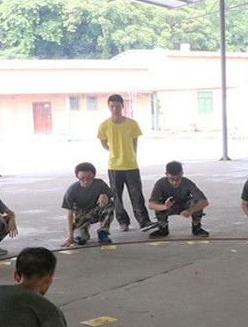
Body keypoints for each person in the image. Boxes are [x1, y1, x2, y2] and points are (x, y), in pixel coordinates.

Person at [98, 94, 156, 232]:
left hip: (131, 165)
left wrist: (131, 155)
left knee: (136, 195)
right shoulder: (104, 125)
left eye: (117, 106)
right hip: (114, 167)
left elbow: (135, 142)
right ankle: (123, 222)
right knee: (116, 196)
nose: (115, 109)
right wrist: (114, 152)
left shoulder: (132, 124)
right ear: (108, 107)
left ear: (123, 106)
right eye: (112, 106)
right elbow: (104, 144)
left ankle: (144, 221)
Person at [146, 161, 210, 238]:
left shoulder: (187, 182)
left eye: (178, 179)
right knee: (158, 203)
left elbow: (204, 202)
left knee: (197, 202)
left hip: (184, 204)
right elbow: (151, 205)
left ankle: (196, 227)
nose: (174, 182)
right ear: (166, 174)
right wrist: (165, 207)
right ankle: (163, 228)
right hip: (169, 206)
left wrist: (190, 211)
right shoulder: (160, 183)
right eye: (171, 179)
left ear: (182, 174)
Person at [61, 162, 115, 246]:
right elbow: (69, 214)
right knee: (81, 240)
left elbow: (111, 196)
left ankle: (103, 233)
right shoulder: (72, 190)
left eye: (89, 178)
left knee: (109, 204)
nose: (86, 181)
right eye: (82, 178)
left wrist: (104, 195)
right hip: (81, 215)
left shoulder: (100, 184)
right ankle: (81, 233)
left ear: (94, 175)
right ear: (77, 176)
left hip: (96, 211)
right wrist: (70, 237)